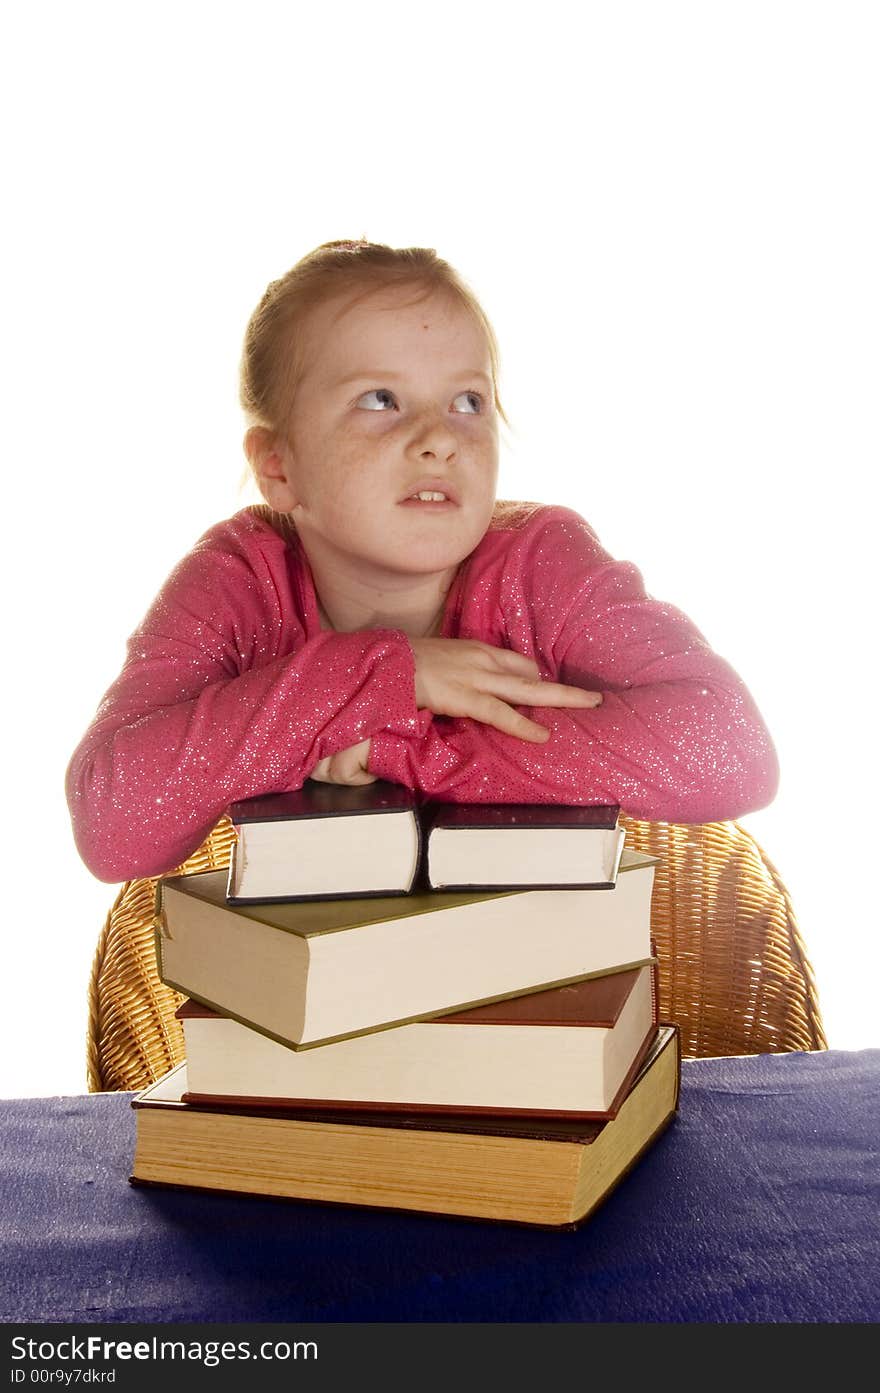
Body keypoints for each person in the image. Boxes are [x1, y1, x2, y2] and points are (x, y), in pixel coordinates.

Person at [66, 239, 779, 883]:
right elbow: (113, 824)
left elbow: (734, 751)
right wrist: (388, 673)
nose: (440, 438)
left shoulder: (545, 565)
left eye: (468, 400)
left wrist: (396, 749)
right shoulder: (237, 584)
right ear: (278, 465)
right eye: (381, 399)